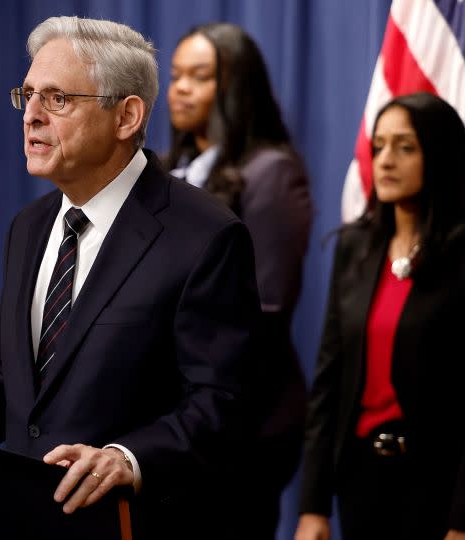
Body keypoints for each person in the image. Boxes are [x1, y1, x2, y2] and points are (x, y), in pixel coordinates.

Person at [0, 16, 266, 537]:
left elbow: (224, 402)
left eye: (56, 99)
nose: (30, 116)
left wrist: (128, 457)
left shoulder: (205, 236)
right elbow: (16, 387)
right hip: (25, 516)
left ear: (126, 116)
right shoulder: (28, 228)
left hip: (133, 523)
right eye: (27, 95)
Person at [295, 92, 465, 540]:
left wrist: (461, 520)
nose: (385, 160)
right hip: (361, 481)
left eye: (405, 147)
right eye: (379, 146)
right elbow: (328, 384)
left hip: (439, 486)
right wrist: (313, 506)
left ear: (441, 154)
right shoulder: (356, 246)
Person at [165, 22, 311, 537]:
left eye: (199, 76)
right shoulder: (170, 170)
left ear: (234, 87)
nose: (179, 88)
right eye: (176, 74)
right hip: (176, 419)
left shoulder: (272, 171)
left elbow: (268, 308)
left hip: (246, 422)